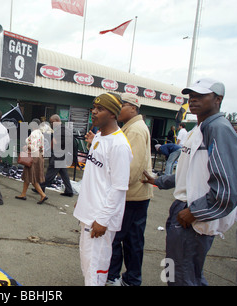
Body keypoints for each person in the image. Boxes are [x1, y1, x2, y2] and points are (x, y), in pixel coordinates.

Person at [142, 78, 237, 286]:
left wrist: (194, 212)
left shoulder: (219, 129)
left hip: (193, 214)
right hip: (182, 208)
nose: (193, 100)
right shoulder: (198, 129)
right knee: (172, 269)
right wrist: (158, 180)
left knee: (183, 276)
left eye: (200, 96)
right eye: (191, 96)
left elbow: (230, 188)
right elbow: (187, 174)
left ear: (218, 99)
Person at [74, 92, 133, 286]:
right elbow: (95, 177)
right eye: (94, 107)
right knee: (87, 265)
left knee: (95, 270)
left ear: (113, 114)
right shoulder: (99, 136)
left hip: (99, 220)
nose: (94, 112)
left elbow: (118, 188)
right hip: (87, 213)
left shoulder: (119, 145)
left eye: (100, 109)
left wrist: (103, 220)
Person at [106, 93, 153, 286]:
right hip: (135, 195)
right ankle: (131, 278)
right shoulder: (132, 127)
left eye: (122, 105)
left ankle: (114, 276)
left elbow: (130, 169)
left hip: (131, 196)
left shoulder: (135, 130)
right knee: (133, 241)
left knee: (118, 238)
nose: (118, 109)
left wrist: (114, 191)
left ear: (133, 107)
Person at [36, 114, 74, 197]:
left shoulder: (63, 129)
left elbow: (68, 141)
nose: (51, 124)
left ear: (57, 121)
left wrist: (57, 143)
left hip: (59, 154)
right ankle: (69, 190)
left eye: (52, 122)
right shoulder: (60, 129)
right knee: (63, 173)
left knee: (50, 172)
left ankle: (40, 187)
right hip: (60, 154)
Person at [16, 119, 48, 204]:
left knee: (32, 177)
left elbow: (33, 147)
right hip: (39, 156)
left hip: (33, 157)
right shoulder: (40, 133)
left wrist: (26, 147)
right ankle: (23, 194)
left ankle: (42, 195)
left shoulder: (34, 134)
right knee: (28, 176)